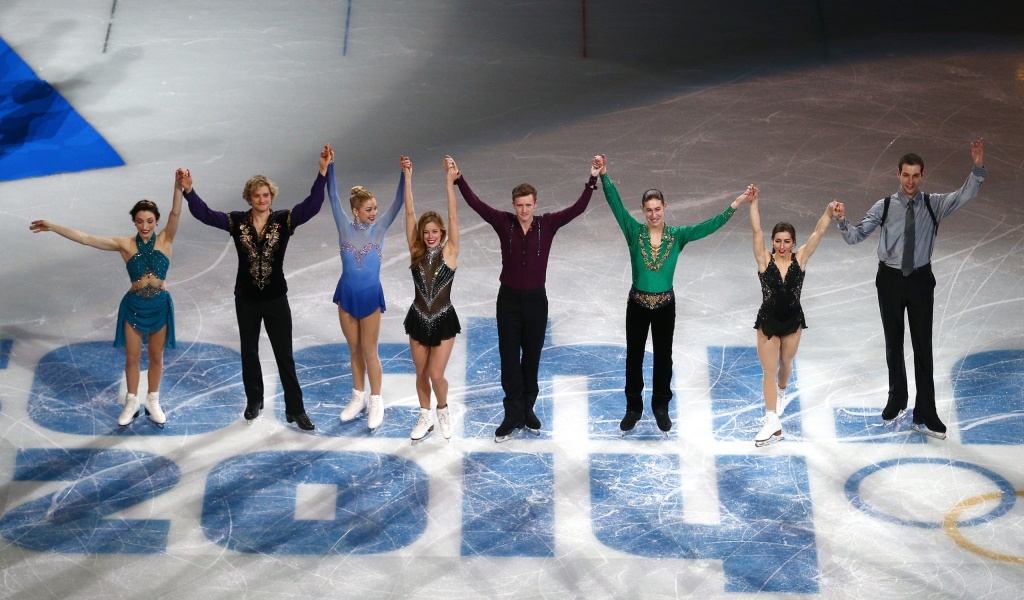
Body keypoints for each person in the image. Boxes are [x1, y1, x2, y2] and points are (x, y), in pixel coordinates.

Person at [834, 138, 986, 440]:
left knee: (922, 348)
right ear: (898, 174)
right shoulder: (885, 206)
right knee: (893, 343)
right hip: (889, 280)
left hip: (919, 281)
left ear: (923, 175)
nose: (911, 181)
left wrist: (978, 166)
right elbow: (855, 237)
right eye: (906, 175)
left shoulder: (934, 204)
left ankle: (925, 412)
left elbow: (966, 193)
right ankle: (897, 398)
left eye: (916, 175)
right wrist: (841, 221)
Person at [179, 145, 333, 431]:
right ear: (249, 198)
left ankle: (295, 409)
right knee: (249, 351)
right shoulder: (237, 222)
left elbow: (312, 205)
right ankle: (254, 401)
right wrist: (189, 191)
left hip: (276, 298)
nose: (262, 199)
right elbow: (205, 214)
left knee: (284, 354)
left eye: (266, 195)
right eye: (256, 195)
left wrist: (322, 172)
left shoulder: (284, 220)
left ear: (271, 197)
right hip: (246, 298)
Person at [596, 154, 749, 436]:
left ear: (665, 207)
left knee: (663, 357)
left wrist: (735, 205)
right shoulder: (634, 232)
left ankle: (661, 406)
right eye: (648, 210)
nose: (654, 214)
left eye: (658, 209)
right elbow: (616, 206)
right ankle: (633, 407)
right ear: (643, 210)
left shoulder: (677, 235)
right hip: (638, 304)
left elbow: (707, 226)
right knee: (634, 357)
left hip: (665, 305)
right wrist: (604, 175)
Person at [452, 154, 600, 442]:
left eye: (528, 205)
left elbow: (578, 208)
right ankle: (512, 414)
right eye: (519, 205)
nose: (523, 210)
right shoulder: (503, 223)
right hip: (507, 302)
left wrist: (592, 178)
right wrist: (460, 179)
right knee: (509, 360)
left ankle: (528, 409)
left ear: (535, 204)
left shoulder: (548, 225)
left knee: (531, 359)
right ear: (513, 205)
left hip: (535, 302)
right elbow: (477, 205)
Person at [29, 178, 182, 427]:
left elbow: (176, 211)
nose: (145, 225)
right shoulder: (124, 244)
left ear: (157, 222)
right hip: (134, 307)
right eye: (140, 221)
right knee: (132, 357)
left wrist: (178, 187)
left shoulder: (166, 239)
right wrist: (53, 226)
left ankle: (152, 401)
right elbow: (86, 239)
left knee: (156, 356)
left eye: (150, 221)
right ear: (134, 221)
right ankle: (131, 402)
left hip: (160, 307)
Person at [744, 184, 837, 446]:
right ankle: (771, 420)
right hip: (768, 322)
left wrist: (829, 212)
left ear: (793, 242)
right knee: (768, 370)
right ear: (772, 242)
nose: (782, 246)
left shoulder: (801, 259)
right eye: (777, 241)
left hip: (793, 321)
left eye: (787, 241)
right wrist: (754, 203)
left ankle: (782, 392)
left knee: (785, 364)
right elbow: (755, 230)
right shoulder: (764, 260)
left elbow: (819, 231)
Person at [331, 156, 407, 431]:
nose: (374, 212)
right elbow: (332, 194)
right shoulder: (343, 228)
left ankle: (376, 399)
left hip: (370, 297)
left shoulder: (380, 229)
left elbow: (398, 204)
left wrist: (403, 175)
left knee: (369, 351)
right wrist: (330, 166)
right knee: (354, 350)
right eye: (368, 209)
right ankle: (358, 397)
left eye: (375, 208)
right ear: (355, 211)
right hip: (347, 297)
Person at [402, 155, 462, 442]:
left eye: (434, 232)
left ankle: (442, 411)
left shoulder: (450, 253)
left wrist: (449, 182)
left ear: (442, 233)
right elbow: (410, 214)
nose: (429, 236)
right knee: (421, 372)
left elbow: (452, 216)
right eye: (426, 232)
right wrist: (408, 178)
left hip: (443, 319)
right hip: (417, 317)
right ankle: (424, 415)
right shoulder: (415, 253)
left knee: (436, 374)